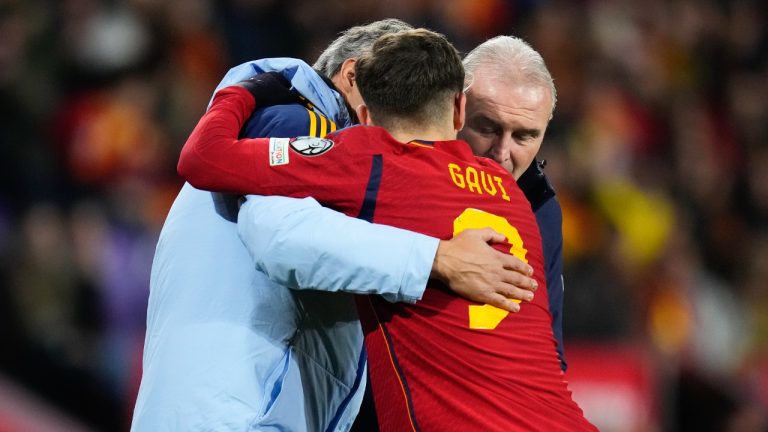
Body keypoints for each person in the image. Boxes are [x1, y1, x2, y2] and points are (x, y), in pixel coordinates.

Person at [131, 19, 537, 432]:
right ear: (351, 77)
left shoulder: (286, 127)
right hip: (239, 415)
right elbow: (281, 237)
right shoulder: (301, 120)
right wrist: (437, 258)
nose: (408, 128)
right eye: (397, 98)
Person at [459, 35, 567, 369]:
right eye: (487, 127)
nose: (502, 153)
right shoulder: (399, 174)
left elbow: (549, 355)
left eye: (524, 136)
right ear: (454, 110)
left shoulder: (542, 209)